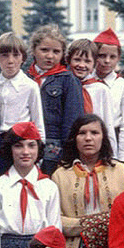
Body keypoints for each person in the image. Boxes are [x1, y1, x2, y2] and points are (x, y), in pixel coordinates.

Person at [51, 113, 124, 248]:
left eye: (94, 133)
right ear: (74, 139)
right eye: (82, 133)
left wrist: (83, 224)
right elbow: (56, 221)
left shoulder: (123, 171)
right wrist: (97, 223)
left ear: (103, 137)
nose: (88, 138)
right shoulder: (60, 175)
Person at [26, 25, 84, 175]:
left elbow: (72, 119)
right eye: (44, 50)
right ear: (33, 50)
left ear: (63, 54)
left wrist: (68, 153)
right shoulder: (26, 78)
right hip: (27, 143)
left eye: (56, 51)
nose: (50, 56)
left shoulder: (68, 80)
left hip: (55, 145)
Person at [0, 32, 44, 181]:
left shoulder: (30, 86)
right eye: (4, 55)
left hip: (21, 143)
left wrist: (38, 156)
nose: (10, 61)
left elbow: (38, 121)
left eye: (16, 55)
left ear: (23, 58)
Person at [65, 39, 117, 154]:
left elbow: (108, 124)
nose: (81, 65)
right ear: (68, 60)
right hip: (68, 145)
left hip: (94, 146)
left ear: (94, 64)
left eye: (87, 61)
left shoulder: (101, 90)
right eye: (77, 60)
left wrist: (112, 155)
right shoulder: (63, 87)